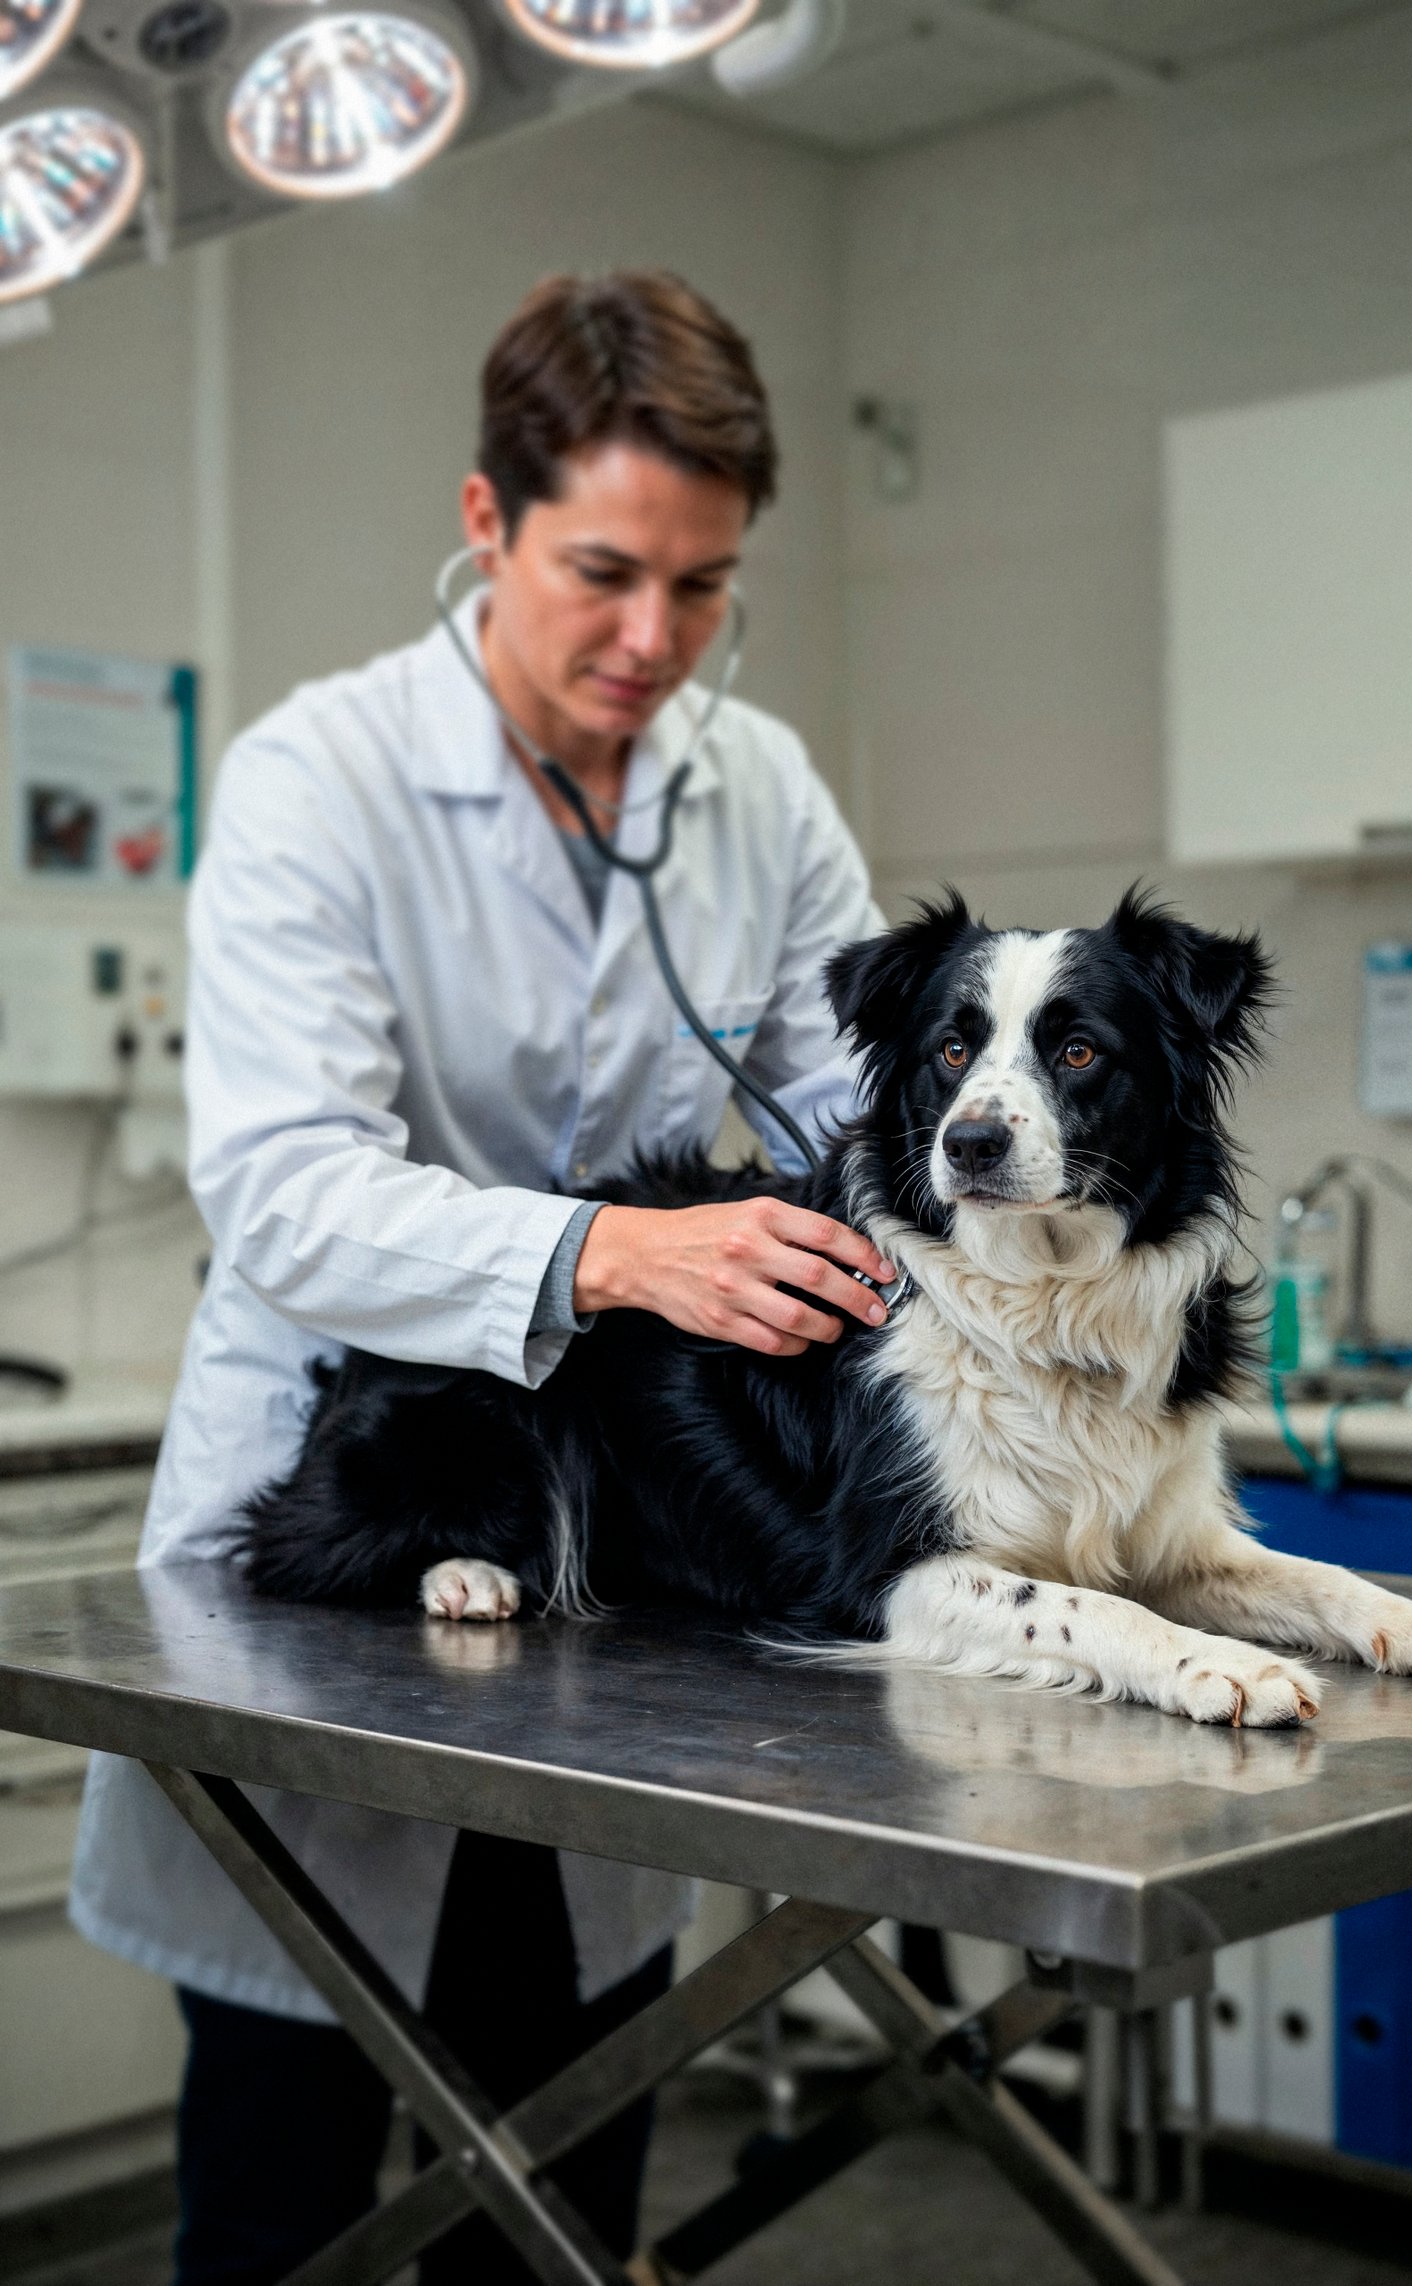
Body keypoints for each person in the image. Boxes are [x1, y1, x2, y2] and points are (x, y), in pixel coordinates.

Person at [68, 270, 890, 2284]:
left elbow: (861, 1119)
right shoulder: (319, 777)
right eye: (604, 573)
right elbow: (285, 1189)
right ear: (484, 522)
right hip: (348, 1544)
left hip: (618, 1581)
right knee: (284, 2200)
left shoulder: (759, 792)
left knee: (556, 2189)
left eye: (701, 587)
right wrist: (614, 1252)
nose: (652, 641)